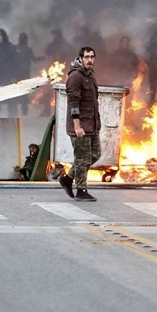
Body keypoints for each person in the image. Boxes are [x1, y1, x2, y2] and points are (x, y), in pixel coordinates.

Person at [59, 47, 101, 202]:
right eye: (87, 57)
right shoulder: (76, 76)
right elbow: (73, 103)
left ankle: (68, 178)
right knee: (82, 159)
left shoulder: (90, 75)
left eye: (92, 57)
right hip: (80, 126)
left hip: (92, 124)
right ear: (80, 58)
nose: (90, 60)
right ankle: (81, 190)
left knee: (95, 155)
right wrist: (77, 126)